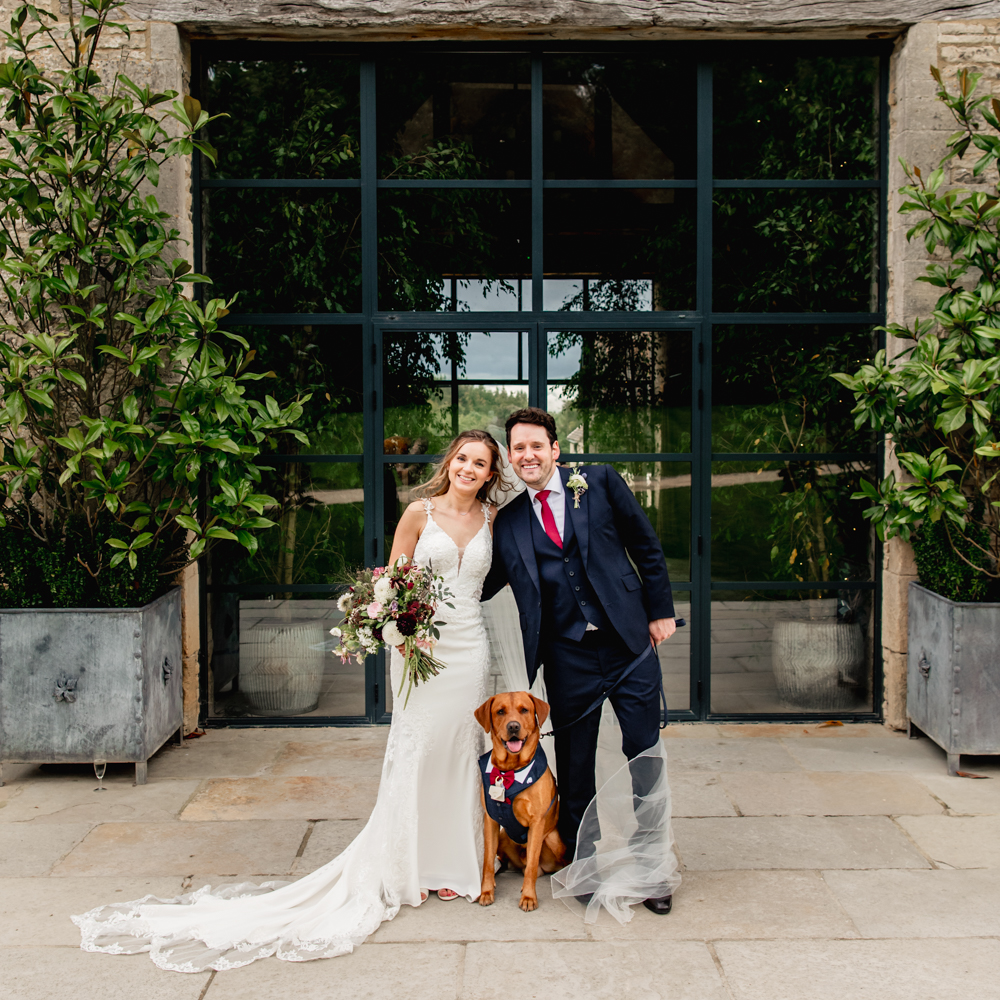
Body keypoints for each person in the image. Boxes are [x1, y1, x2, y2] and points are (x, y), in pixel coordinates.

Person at [73, 429, 506, 972]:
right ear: (450, 462)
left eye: (480, 462)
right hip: (422, 645)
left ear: (491, 473)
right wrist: (398, 628)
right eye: (462, 458)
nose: (468, 467)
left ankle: (454, 866)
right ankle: (408, 866)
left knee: (460, 750)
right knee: (418, 751)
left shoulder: (493, 520)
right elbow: (394, 582)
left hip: (471, 650)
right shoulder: (419, 513)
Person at [482, 407, 678, 916]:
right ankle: (581, 862)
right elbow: (480, 583)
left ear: (555, 450)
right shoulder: (509, 522)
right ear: (510, 456)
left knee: (642, 751)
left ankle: (653, 866)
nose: (527, 455)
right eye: (517, 448)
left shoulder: (600, 483)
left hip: (627, 643)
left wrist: (660, 613)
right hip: (566, 656)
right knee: (574, 765)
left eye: (535, 446)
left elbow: (646, 546)